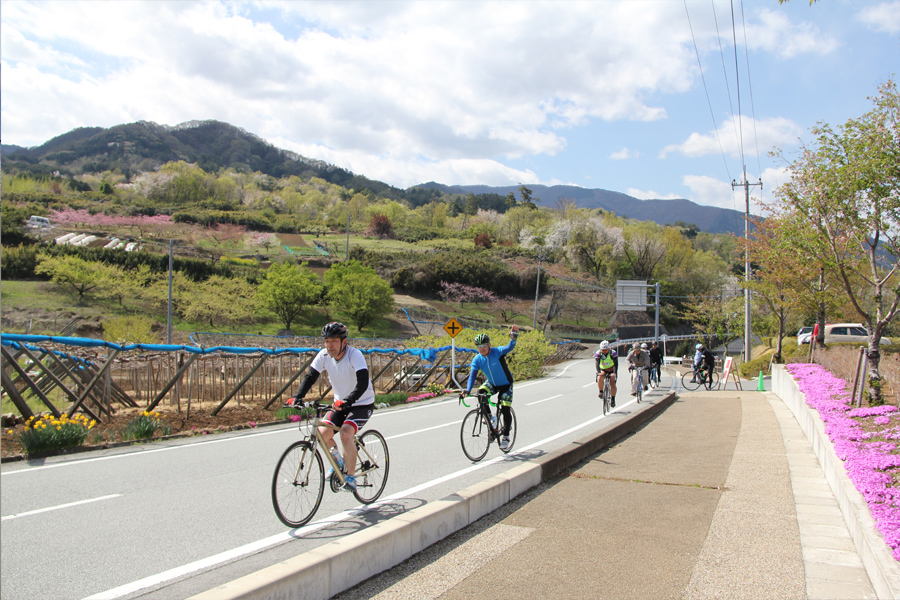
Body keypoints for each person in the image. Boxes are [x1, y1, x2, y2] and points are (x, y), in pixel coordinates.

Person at [290, 322, 375, 492]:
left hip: (361, 403)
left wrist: (348, 401)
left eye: (334, 341)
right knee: (322, 435)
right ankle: (339, 462)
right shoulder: (323, 356)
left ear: (344, 342)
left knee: (345, 433)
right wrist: (297, 397)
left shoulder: (354, 355)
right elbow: (310, 376)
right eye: (327, 341)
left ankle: (350, 478)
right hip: (339, 404)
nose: (330, 345)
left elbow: (363, 382)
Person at [459, 325, 519, 450]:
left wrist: (513, 339)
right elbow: (472, 376)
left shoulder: (497, 352)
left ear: (489, 345)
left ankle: (506, 436)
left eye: (484, 346)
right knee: (481, 392)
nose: (482, 349)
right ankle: (492, 418)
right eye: (479, 347)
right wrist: (468, 391)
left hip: (506, 384)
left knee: (505, 408)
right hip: (492, 383)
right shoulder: (477, 359)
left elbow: (509, 347)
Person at [594, 340, 618, 408]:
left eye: (605, 350)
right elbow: (597, 363)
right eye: (603, 350)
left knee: (612, 383)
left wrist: (614, 373)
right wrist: (598, 372)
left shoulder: (613, 353)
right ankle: (601, 391)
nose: (604, 351)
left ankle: (613, 399)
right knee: (600, 377)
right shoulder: (598, 353)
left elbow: (616, 364)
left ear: (608, 349)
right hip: (603, 369)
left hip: (612, 369)